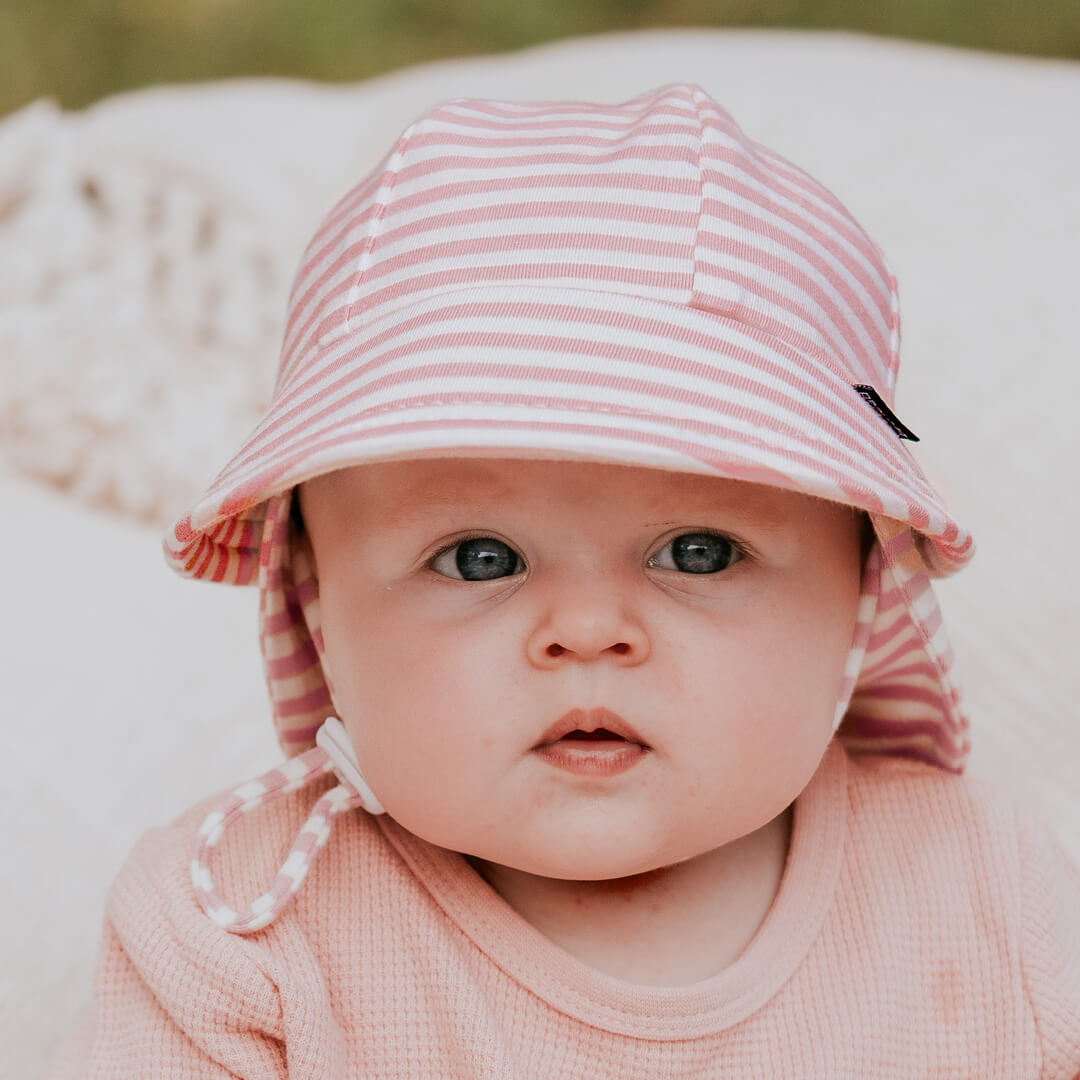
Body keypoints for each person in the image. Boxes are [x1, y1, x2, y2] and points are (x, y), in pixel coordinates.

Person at [52, 83, 1080, 1077]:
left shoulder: (990, 897)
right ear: (316, 605)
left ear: (862, 596)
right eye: (478, 558)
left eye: (700, 551)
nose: (587, 630)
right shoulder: (239, 933)